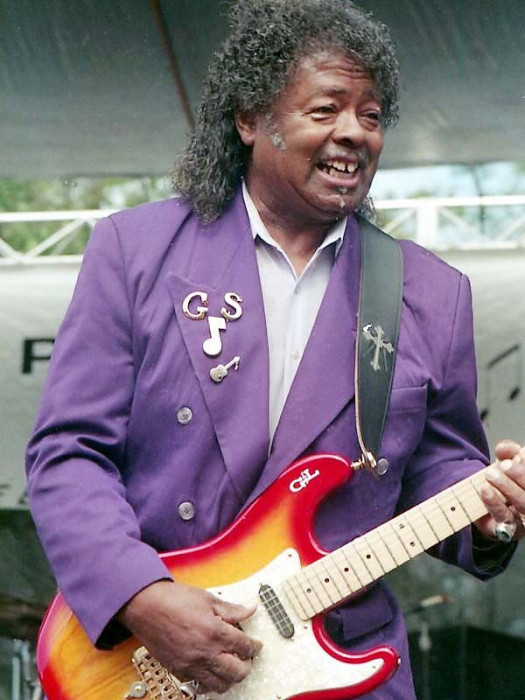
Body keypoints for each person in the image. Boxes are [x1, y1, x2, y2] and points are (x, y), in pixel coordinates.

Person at [26, 1, 525, 697]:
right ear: (250, 119)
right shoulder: (134, 251)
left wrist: (489, 513)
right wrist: (141, 595)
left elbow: (437, 466)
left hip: (341, 662)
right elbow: (69, 454)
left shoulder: (431, 293)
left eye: (371, 115)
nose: (354, 132)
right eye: (326, 110)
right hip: (153, 656)